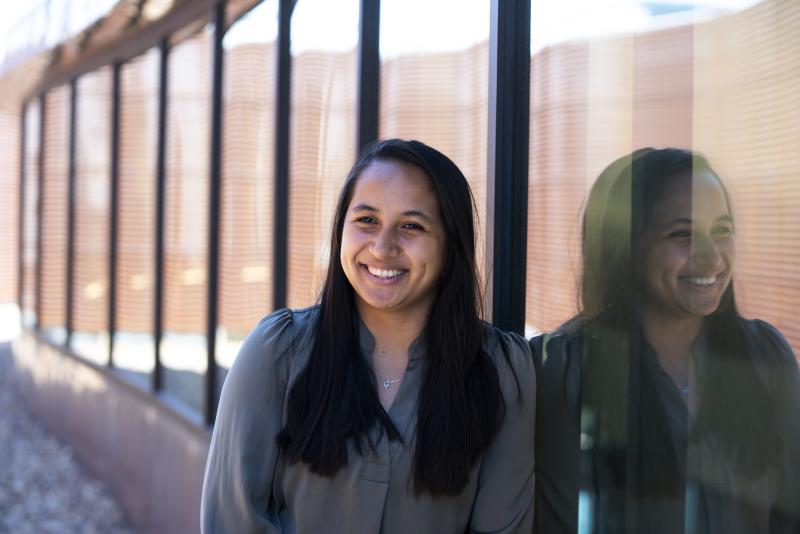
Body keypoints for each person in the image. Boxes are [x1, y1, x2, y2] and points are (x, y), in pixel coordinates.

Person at [201, 139, 535, 534]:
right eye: (366, 220)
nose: (382, 247)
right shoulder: (278, 352)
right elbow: (232, 521)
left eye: (412, 226)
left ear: (450, 246)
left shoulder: (501, 370)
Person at [531, 148, 800, 534]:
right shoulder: (564, 366)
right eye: (683, 234)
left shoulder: (765, 355)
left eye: (722, 230)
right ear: (627, 247)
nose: (711, 256)